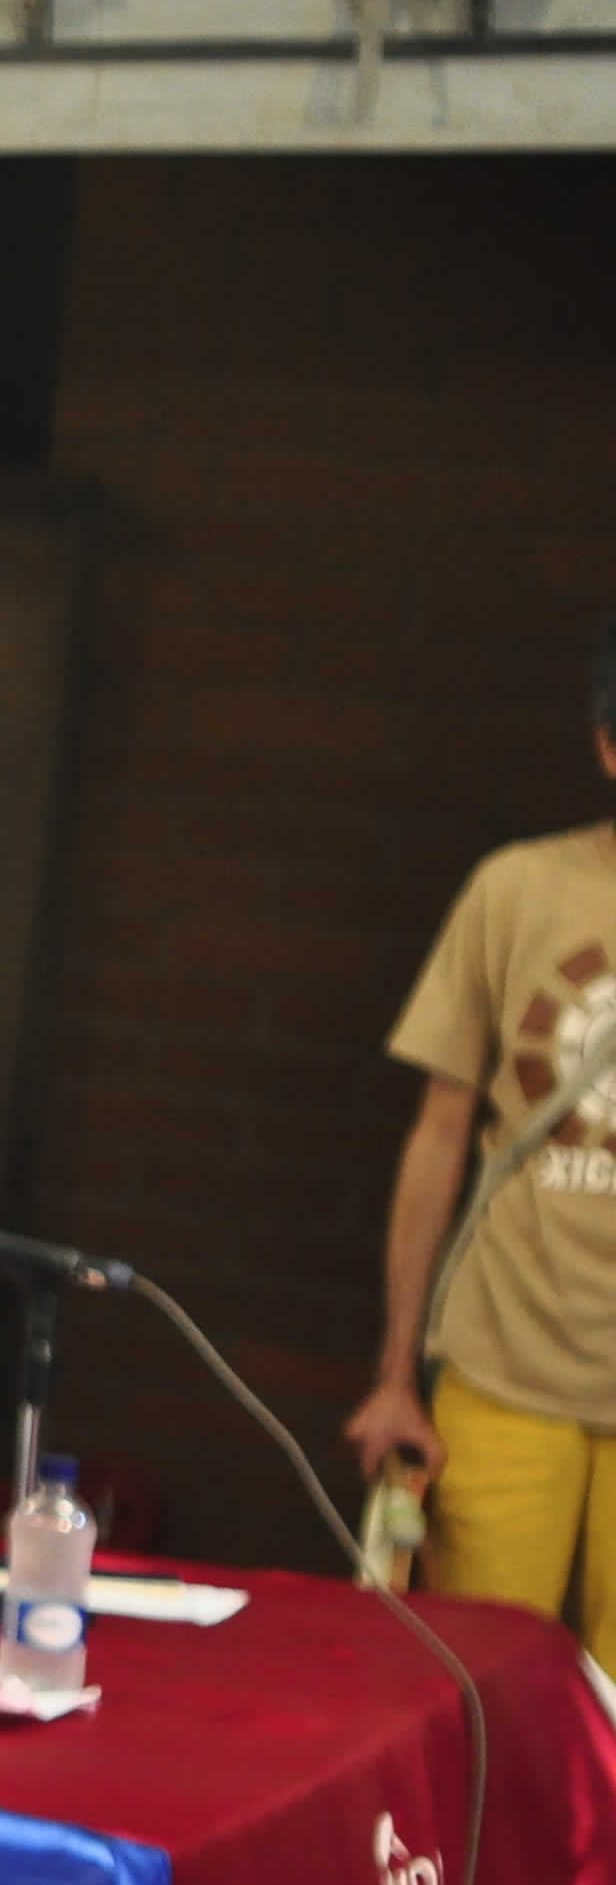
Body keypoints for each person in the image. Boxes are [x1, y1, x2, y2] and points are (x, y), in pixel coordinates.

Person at [343, 627, 616, 1650]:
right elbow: (439, 1134)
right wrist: (394, 1372)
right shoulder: (516, 891)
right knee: (481, 1699)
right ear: (606, 747)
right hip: (504, 1364)